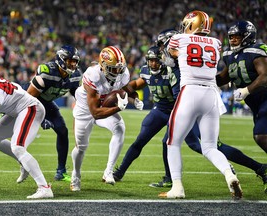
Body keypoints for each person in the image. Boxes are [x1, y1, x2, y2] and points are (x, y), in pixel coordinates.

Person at [113, 32, 267, 192]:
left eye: (162, 46)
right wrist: (131, 96)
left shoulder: (180, 66)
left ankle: (250, 168)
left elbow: (184, 85)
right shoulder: (162, 66)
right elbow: (136, 84)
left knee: (195, 144)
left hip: (185, 107)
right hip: (170, 108)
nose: (161, 51)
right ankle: (132, 174)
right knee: (159, 140)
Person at [159, 10, 243, 199]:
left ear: (191, 24)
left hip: (190, 91)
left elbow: (169, 58)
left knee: (172, 142)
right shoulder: (216, 42)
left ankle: (177, 187)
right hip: (212, 95)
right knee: (210, 147)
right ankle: (229, 174)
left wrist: (170, 55)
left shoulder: (179, 38)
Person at [70, 46, 144, 191]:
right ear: (103, 65)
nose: (117, 72)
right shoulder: (92, 75)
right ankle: (76, 175)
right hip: (86, 110)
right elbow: (96, 113)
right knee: (81, 147)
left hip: (103, 106)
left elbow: (128, 89)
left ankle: (108, 171)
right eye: (113, 69)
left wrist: (134, 98)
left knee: (120, 128)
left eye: (119, 68)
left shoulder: (122, 72)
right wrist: (118, 108)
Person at [0, 68, 53, 199]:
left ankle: (44, 188)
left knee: (18, 147)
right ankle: (23, 162)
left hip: (30, 108)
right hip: (16, 110)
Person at [216, 20, 267, 192]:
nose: (233, 40)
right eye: (231, 36)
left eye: (237, 36)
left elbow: (265, 76)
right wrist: (203, 76)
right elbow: (224, 77)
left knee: (261, 135)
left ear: (247, 36)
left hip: (265, 99)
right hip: (257, 105)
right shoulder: (230, 55)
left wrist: (246, 90)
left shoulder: (256, 51)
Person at [21, 45, 82, 182]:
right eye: (69, 60)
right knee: (22, 134)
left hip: (47, 102)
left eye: (75, 61)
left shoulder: (75, 75)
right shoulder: (47, 71)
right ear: (61, 59)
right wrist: (41, 119)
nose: (73, 64)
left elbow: (77, 94)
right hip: (28, 99)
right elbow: (29, 98)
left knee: (62, 131)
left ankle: (61, 170)